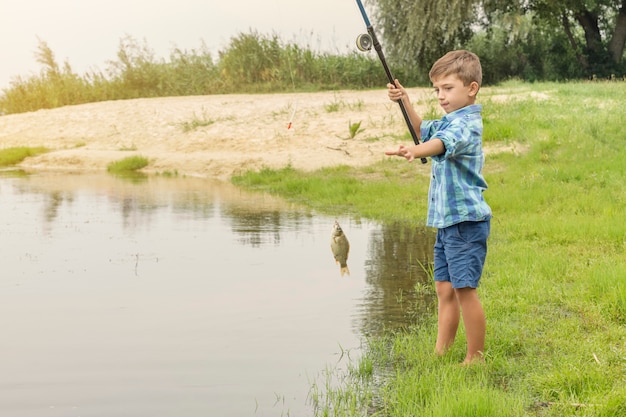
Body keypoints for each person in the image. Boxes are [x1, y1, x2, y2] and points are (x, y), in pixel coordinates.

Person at [385, 50, 492, 365]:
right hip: (448, 223)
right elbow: (423, 131)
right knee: (444, 290)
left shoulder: (467, 123)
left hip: (465, 223)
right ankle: (440, 353)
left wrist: (416, 150)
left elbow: (441, 144)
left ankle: (476, 357)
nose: (441, 96)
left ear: (471, 88)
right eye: (437, 90)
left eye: (448, 88)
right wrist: (404, 100)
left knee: (464, 290)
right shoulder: (449, 121)